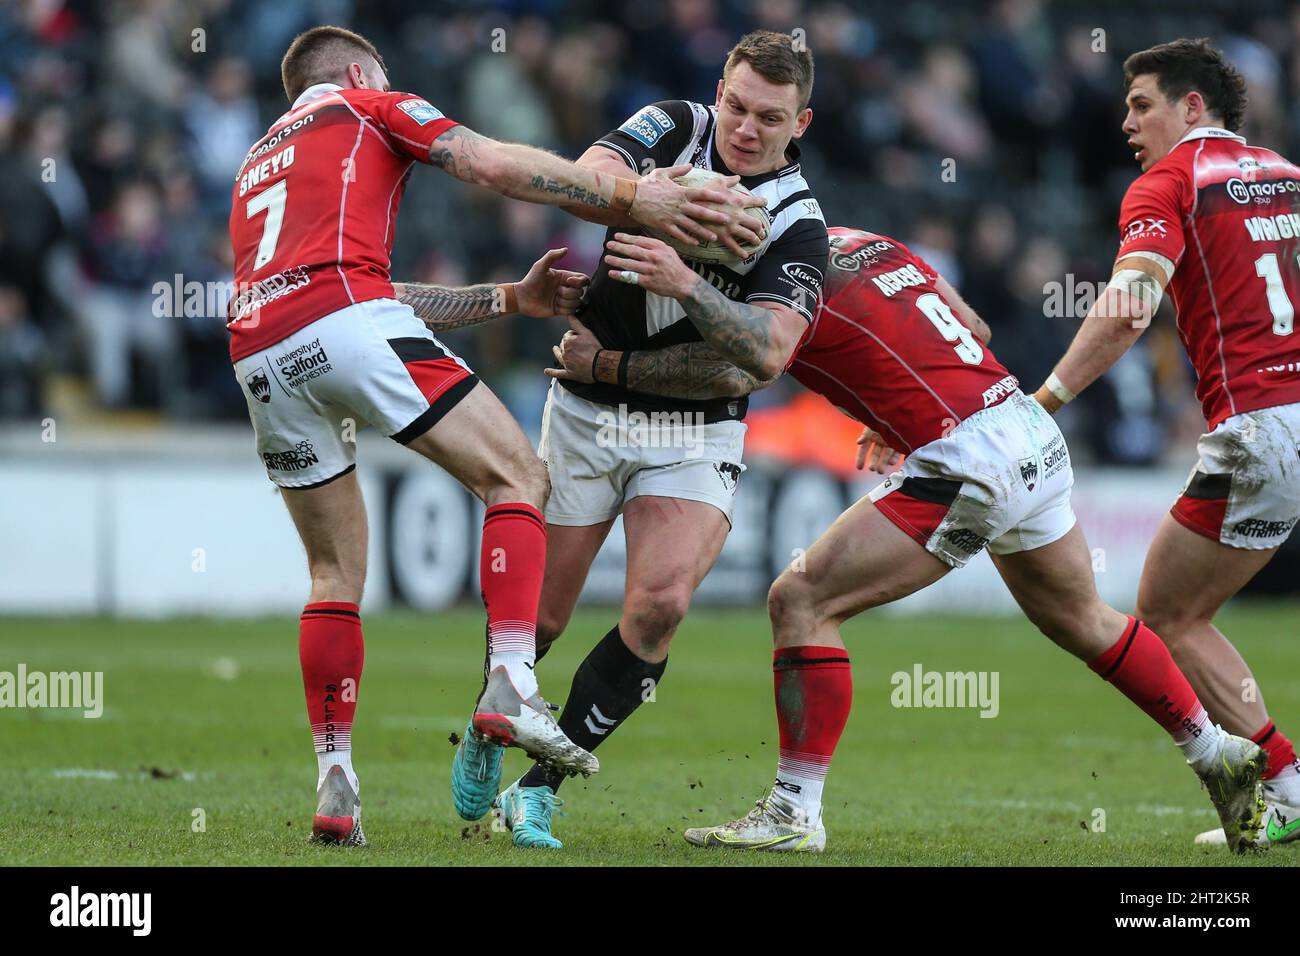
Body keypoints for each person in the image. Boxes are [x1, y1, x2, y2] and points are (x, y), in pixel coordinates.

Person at [551, 225, 1267, 853]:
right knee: (1085, 620)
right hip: (1024, 427)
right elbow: (974, 329)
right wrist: (891, 399)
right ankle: (1216, 752)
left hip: (970, 457)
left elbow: (741, 368)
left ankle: (794, 812)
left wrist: (605, 367)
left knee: (800, 599)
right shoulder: (873, 243)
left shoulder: (778, 292)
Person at [229, 25, 759, 846]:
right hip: (340, 319)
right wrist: (628, 198)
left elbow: (371, 294)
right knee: (517, 476)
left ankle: (336, 780)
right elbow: (487, 164)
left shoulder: (260, 158)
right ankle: (510, 683)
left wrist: (511, 299)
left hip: (261, 348)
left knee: (334, 573)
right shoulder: (372, 102)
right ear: (363, 71)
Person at [455, 30, 827, 850]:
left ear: (801, 123)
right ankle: (491, 718)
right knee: (539, 620)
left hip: (689, 432)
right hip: (587, 413)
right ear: (718, 92)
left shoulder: (797, 226)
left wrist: (683, 283)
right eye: (735, 104)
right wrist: (644, 197)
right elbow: (584, 180)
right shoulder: (671, 126)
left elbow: (762, 357)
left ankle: (541, 788)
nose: (744, 127)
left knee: (659, 607)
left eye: (769, 116)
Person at [1030, 39, 1300, 848]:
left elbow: (1126, 306)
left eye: (1141, 104)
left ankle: (1283, 781)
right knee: (1182, 611)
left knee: (1166, 615)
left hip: (1262, 426)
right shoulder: (1286, 172)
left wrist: (1047, 398)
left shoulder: (1169, 181)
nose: (1126, 122)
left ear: (1191, 108)